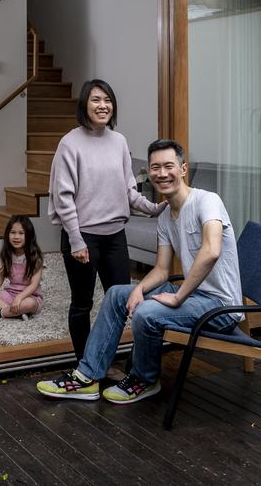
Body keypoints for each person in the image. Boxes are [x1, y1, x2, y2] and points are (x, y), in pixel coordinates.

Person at [36, 139, 243, 403]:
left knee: (147, 312)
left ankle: (144, 379)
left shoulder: (207, 201)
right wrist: (138, 289)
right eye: (155, 167)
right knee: (115, 294)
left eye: (169, 165)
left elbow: (212, 251)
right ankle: (87, 378)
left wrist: (177, 298)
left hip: (219, 306)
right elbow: (161, 269)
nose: (161, 173)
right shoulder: (166, 217)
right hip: (191, 296)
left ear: (183, 169)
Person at [48, 79, 166, 362]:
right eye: (96, 100)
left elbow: (128, 189)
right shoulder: (70, 143)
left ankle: (111, 359)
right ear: (84, 105)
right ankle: (85, 366)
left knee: (124, 302)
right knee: (82, 303)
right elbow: (63, 196)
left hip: (115, 236)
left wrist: (153, 208)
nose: (103, 106)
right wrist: (76, 240)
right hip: (83, 238)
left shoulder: (119, 141)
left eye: (108, 100)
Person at [0, 215, 44, 319]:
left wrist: (19, 297)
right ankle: (15, 313)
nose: (16, 237)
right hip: (10, 294)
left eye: (21, 233)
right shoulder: (6, 255)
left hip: (28, 296)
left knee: (30, 304)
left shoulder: (35, 258)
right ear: (7, 234)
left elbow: (34, 285)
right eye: (13, 232)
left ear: (29, 235)